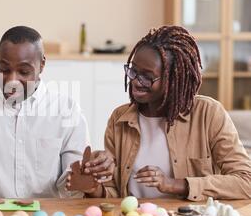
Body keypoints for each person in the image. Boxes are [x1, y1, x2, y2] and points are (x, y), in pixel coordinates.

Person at [0, 26, 113, 198]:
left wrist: (83, 176)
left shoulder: (67, 110)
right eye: (4, 70)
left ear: (42, 65)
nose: (12, 80)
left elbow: (71, 186)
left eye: (24, 72)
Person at [71, 25, 251, 201]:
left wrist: (174, 184)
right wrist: (93, 187)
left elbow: (246, 181)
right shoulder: (120, 119)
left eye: (147, 77)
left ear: (173, 79)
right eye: (133, 71)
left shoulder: (208, 114)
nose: (135, 81)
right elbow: (114, 194)